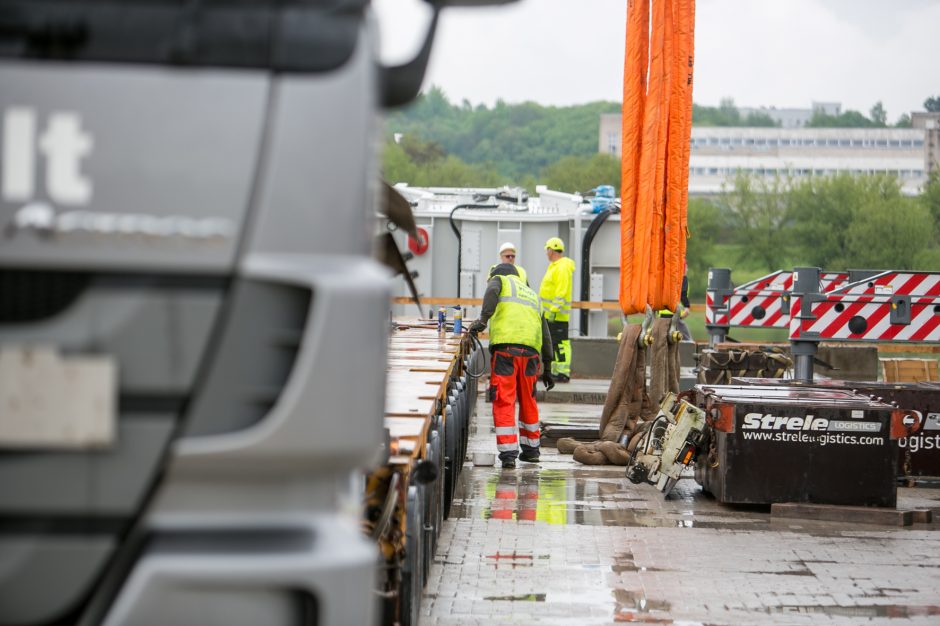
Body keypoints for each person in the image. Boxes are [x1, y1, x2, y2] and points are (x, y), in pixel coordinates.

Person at [469, 263, 554, 469]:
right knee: (528, 400)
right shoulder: (533, 295)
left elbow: (491, 291)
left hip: (507, 350)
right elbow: (545, 333)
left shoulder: (500, 280)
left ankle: (508, 454)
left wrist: (482, 320)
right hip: (531, 355)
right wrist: (548, 366)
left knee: (504, 399)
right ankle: (531, 450)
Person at [539, 237, 575, 383]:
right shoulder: (555, 266)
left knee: (560, 343)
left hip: (557, 315)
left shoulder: (561, 267)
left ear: (551, 250)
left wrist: (554, 310)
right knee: (552, 343)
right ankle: (554, 371)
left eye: (547, 250)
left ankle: (562, 372)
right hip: (551, 314)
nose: (546, 253)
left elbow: (562, 291)